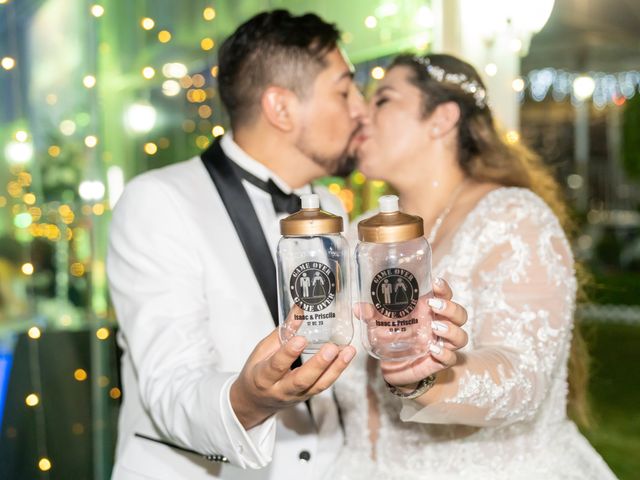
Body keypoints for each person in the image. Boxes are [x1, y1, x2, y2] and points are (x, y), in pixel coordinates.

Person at [107, 11, 469, 480]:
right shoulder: (158, 201)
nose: (361, 110)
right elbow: (171, 386)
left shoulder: (336, 208)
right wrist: (247, 400)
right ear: (280, 108)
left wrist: (411, 352)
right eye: (344, 91)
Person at [331, 54, 617, 479]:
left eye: (383, 100)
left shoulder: (512, 218)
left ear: (442, 119)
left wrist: (426, 380)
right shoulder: (357, 237)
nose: (360, 113)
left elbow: (522, 377)